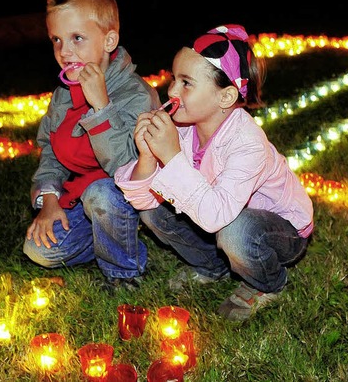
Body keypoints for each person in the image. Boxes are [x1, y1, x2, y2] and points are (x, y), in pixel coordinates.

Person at [114, 24, 314, 321]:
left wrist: (170, 155)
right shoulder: (183, 127)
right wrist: (147, 155)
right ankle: (211, 266)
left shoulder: (247, 142)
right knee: (154, 213)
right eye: (173, 79)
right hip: (217, 216)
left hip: (278, 230)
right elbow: (142, 201)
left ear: (225, 97)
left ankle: (267, 282)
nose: (171, 91)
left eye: (186, 83)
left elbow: (217, 217)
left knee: (234, 232)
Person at [23, 0, 160, 290]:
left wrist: (101, 107)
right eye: (56, 40)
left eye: (77, 38)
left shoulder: (135, 94)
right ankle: (106, 237)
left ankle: (123, 269)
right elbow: (51, 153)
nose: (64, 51)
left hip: (134, 195)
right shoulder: (62, 97)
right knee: (41, 250)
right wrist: (49, 199)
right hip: (87, 200)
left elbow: (127, 166)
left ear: (109, 40)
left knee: (100, 194)